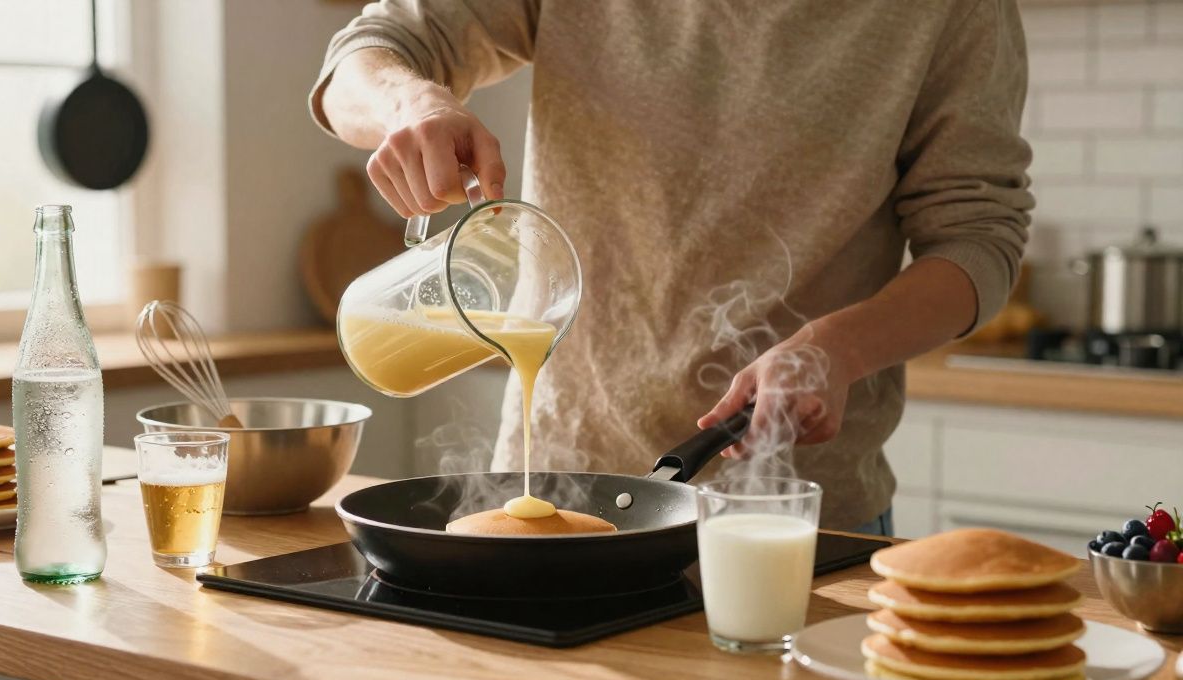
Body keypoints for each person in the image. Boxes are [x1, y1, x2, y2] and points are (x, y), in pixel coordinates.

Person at [310, 1, 1033, 533]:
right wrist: (409, 101)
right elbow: (369, 51)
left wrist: (836, 348)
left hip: (788, 518)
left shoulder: (952, 12)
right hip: (554, 493)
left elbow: (977, 239)